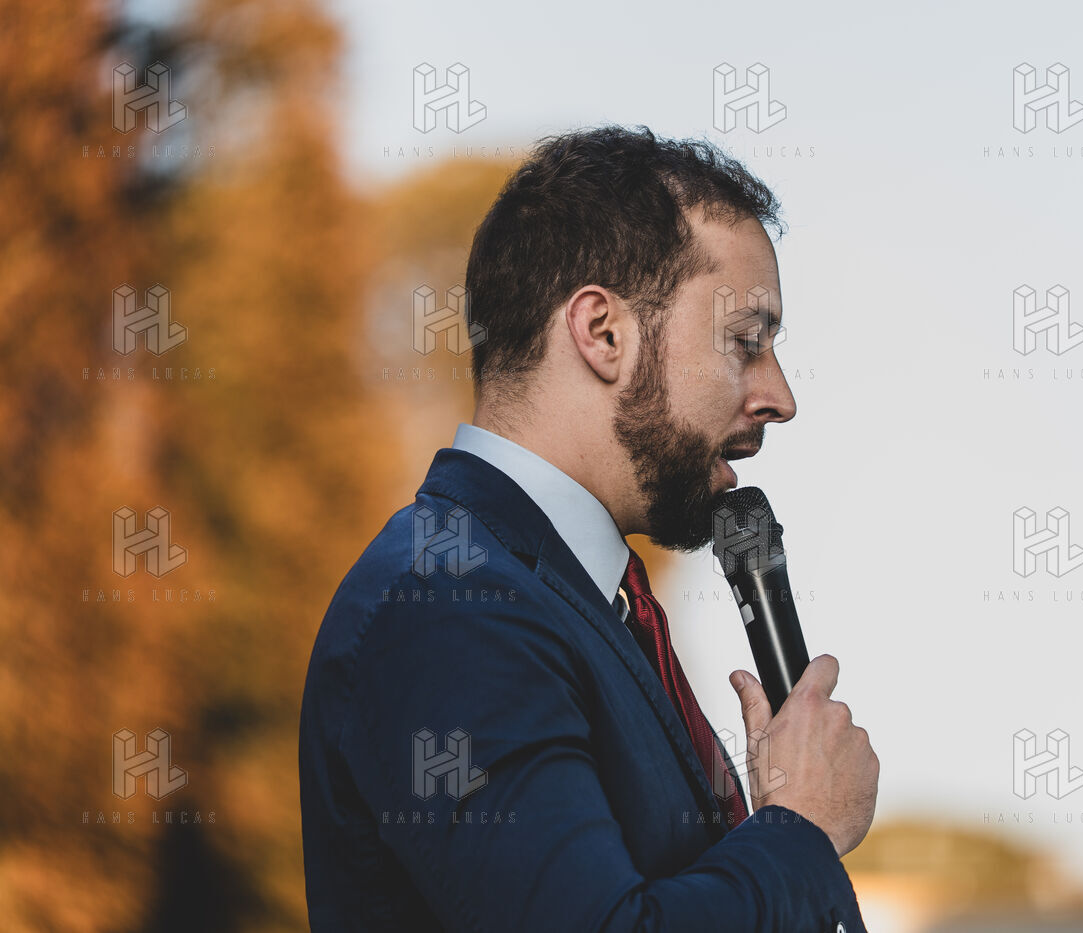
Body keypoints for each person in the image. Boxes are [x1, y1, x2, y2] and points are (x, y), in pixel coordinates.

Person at [299, 125, 879, 932]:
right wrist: (799, 830)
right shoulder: (448, 603)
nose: (780, 396)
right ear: (603, 332)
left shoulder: (582, 606)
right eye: (746, 341)